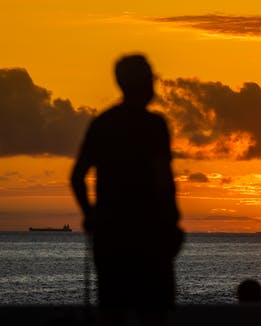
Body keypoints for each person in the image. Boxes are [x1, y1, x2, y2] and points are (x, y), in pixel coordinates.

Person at [71, 54, 183, 325]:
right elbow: (163, 179)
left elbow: (77, 177)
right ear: (138, 84)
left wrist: (91, 214)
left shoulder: (102, 124)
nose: (153, 84)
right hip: (149, 234)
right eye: (148, 78)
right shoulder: (154, 126)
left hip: (111, 235)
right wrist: (172, 222)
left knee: (113, 313)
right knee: (153, 314)